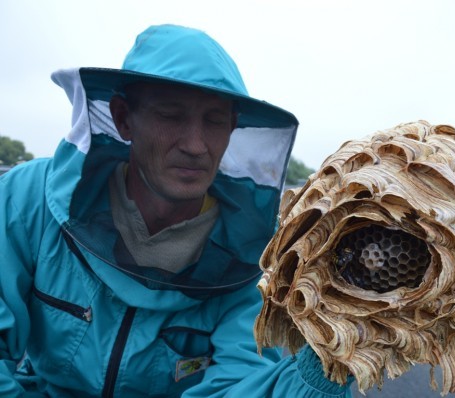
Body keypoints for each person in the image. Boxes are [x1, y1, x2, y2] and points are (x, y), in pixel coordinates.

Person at [0, 24, 351, 397]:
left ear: (232, 128)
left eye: (214, 121)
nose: (196, 145)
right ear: (123, 118)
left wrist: (320, 374)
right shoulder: (27, 199)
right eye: (171, 115)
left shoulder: (254, 253)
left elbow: (239, 384)